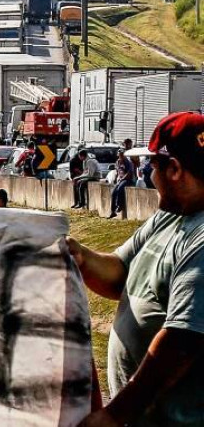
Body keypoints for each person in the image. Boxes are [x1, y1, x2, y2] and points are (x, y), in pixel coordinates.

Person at [68, 112, 204, 427]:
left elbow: (182, 341)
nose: (148, 175)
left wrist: (116, 415)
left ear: (175, 169)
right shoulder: (172, 215)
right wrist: (81, 258)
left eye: (152, 166)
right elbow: (120, 273)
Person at [109, 148, 135, 219]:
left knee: (120, 188)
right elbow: (117, 171)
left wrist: (123, 178)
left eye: (122, 155)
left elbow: (129, 173)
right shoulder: (117, 162)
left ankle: (119, 205)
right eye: (119, 155)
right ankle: (112, 211)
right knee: (113, 192)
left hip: (128, 180)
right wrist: (116, 178)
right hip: (120, 179)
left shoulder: (128, 162)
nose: (121, 156)